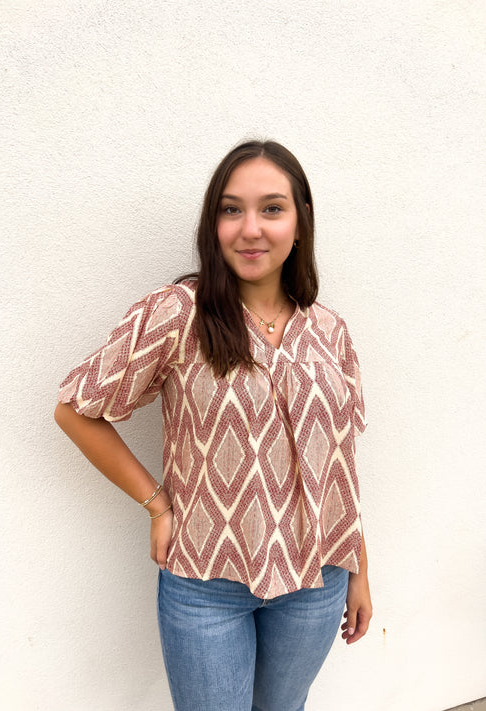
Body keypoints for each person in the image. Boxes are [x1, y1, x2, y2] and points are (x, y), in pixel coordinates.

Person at [54, 140, 372, 711]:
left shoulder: (330, 331)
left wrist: (359, 570)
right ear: (213, 224)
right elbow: (78, 409)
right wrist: (157, 503)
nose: (250, 228)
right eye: (232, 209)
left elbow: (338, 465)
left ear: (300, 223)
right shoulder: (177, 312)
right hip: (206, 583)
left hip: (316, 582)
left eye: (272, 208)